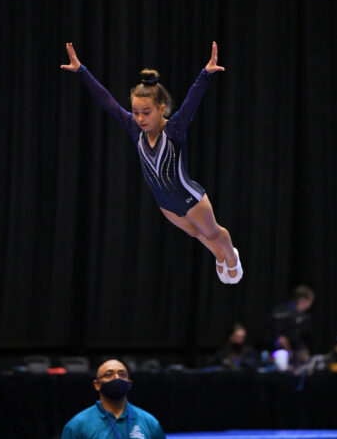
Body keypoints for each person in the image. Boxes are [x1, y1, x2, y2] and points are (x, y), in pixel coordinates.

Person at [60, 42, 243, 284]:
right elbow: (107, 101)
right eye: (135, 112)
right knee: (195, 232)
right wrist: (82, 70)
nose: (139, 118)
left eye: (146, 112)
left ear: (162, 108)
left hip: (191, 199)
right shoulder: (134, 129)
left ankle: (231, 256)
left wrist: (205, 74)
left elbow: (191, 101)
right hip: (165, 203)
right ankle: (218, 255)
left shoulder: (174, 130)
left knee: (212, 231)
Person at [61, 358, 165, 439]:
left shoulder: (150, 422)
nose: (116, 378)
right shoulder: (76, 426)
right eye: (109, 374)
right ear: (97, 385)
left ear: (129, 384)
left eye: (122, 374)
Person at [269, 285, 315, 366]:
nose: (311, 304)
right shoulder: (282, 311)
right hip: (280, 354)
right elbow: (280, 338)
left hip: (298, 354)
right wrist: (290, 352)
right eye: (310, 300)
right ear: (302, 300)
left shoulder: (305, 316)